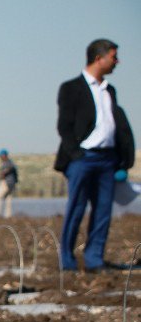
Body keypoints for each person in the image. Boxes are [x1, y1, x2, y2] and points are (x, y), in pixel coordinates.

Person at [55, 38, 135, 272]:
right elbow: (64, 126)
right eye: (113, 56)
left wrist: (121, 158)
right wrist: (76, 154)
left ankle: (94, 260)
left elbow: (116, 125)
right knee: (76, 208)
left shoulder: (109, 90)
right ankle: (67, 262)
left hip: (107, 160)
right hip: (83, 159)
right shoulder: (71, 88)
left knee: (102, 210)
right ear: (98, 58)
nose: (117, 61)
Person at [0, 148, 18, 217]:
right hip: (12, 184)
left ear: (4, 155)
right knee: (8, 200)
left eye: (1, 155)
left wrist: (0, 174)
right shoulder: (9, 162)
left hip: (6, 183)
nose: (0, 157)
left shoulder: (8, 163)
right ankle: (8, 216)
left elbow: (7, 170)